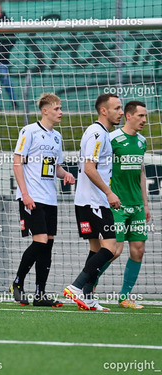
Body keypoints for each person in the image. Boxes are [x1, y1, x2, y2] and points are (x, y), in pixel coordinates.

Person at [11, 93, 75, 307]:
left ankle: (40, 294)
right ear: (45, 110)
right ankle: (17, 283)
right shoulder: (29, 131)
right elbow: (17, 163)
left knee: (47, 245)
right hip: (32, 197)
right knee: (40, 242)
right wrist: (25, 194)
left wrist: (65, 174)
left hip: (50, 198)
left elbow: (54, 167)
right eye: (57, 109)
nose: (61, 112)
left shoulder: (57, 137)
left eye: (61, 108)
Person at [63, 93, 123, 311]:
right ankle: (76, 287)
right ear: (103, 110)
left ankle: (87, 297)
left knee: (96, 249)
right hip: (94, 202)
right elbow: (89, 168)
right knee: (111, 248)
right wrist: (109, 193)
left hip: (87, 201)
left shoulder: (101, 133)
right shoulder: (98, 133)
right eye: (117, 108)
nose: (121, 112)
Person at [93, 101, 149, 309]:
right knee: (114, 250)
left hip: (137, 206)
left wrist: (145, 204)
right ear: (128, 115)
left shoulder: (142, 142)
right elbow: (97, 167)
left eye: (145, 116)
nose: (144, 120)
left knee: (139, 250)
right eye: (141, 116)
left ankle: (125, 297)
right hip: (117, 205)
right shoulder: (111, 139)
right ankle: (90, 284)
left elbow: (141, 172)